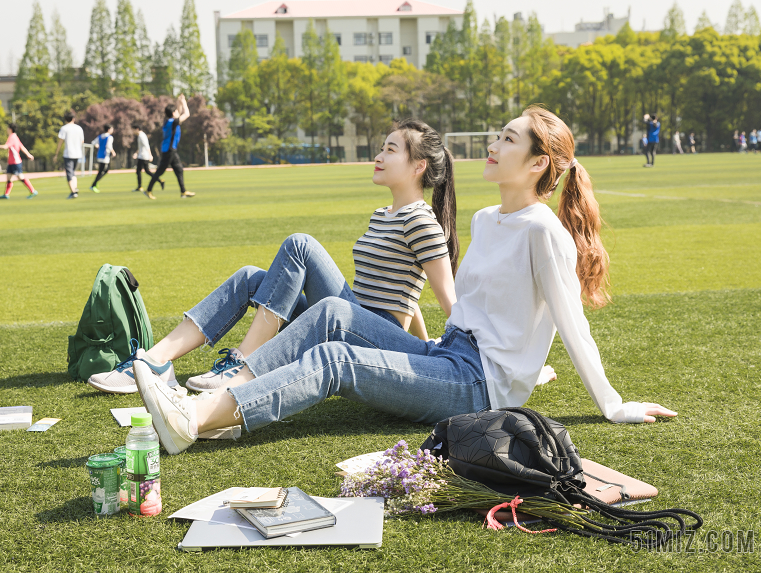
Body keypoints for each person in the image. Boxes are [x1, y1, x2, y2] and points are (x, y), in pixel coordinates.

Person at [131, 106, 676, 456]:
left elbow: (571, 323)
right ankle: (230, 391)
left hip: (478, 386)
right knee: (330, 315)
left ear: (538, 163)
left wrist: (612, 403)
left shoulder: (544, 233)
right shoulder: (487, 220)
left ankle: (196, 419)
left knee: (333, 360)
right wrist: (433, 345)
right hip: (451, 355)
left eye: (509, 139)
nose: (494, 144)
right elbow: (466, 309)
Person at [88, 118, 470, 394]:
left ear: (419, 166)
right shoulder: (384, 214)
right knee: (252, 277)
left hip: (373, 334)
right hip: (359, 320)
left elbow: (447, 300)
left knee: (300, 244)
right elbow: (410, 295)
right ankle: (156, 361)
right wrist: (423, 341)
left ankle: (244, 363)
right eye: (382, 147)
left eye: (391, 149)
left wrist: (439, 358)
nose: (379, 155)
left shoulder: (421, 221)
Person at [145, 94, 194, 199]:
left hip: (170, 150)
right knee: (160, 172)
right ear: (173, 113)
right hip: (169, 150)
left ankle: (183, 191)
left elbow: (179, 113)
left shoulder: (168, 121)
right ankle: (148, 190)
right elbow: (186, 114)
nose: (177, 112)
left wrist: (179, 102)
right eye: (175, 111)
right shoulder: (173, 122)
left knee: (179, 169)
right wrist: (184, 101)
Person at [0, 122, 37, 199]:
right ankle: (6, 194)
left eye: (7, 128)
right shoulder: (15, 137)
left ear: (10, 129)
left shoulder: (12, 137)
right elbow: (21, 146)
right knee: (9, 178)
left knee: (20, 177)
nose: (6, 129)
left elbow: (6, 147)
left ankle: (33, 190)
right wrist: (28, 154)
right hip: (11, 162)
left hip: (16, 162)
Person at [52, 110, 85, 199]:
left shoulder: (64, 128)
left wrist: (56, 153)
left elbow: (60, 142)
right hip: (78, 153)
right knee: (73, 172)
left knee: (69, 173)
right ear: (73, 119)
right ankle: (75, 188)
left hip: (68, 154)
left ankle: (73, 191)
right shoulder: (79, 128)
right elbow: (82, 141)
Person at [132, 123, 163, 193]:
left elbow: (147, 146)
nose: (133, 132)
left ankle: (159, 180)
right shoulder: (140, 135)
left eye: (133, 130)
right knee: (141, 171)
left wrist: (150, 155)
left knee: (146, 171)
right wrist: (136, 153)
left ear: (137, 129)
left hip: (143, 156)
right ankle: (140, 186)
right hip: (141, 156)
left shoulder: (142, 136)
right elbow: (140, 147)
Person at [90, 124, 116, 192]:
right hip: (105, 156)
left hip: (99, 155)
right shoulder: (110, 137)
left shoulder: (100, 136)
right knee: (103, 171)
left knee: (103, 170)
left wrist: (96, 145)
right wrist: (113, 152)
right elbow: (109, 146)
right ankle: (94, 184)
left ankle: (95, 182)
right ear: (109, 129)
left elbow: (93, 142)